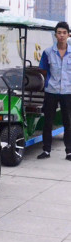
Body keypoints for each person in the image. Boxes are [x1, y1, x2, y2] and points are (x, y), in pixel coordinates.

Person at [37, 21, 71, 160]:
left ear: (69, 35)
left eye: (64, 33)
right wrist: (46, 85)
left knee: (68, 122)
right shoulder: (47, 52)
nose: (61, 35)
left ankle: (69, 151)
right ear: (55, 34)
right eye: (59, 33)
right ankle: (46, 150)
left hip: (68, 92)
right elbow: (43, 71)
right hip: (51, 91)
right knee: (48, 121)